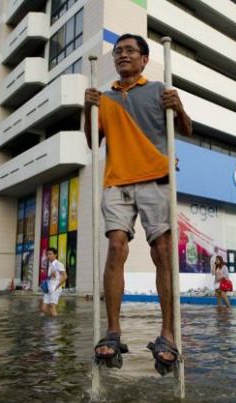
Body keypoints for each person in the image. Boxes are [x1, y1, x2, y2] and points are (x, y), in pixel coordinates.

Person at [84, 33, 192, 375]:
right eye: (118, 52)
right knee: (116, 247)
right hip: (116, 181)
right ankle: (113, 331)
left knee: (162, 251)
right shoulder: (105, 97)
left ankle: (168, 333)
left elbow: (186, 130)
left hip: (156, 178)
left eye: (130, 51)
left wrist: (180, 108)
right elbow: (92, 142)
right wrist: (86, 108)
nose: (122, 55)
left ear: (144, 59)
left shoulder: (160, 88)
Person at [41, 248, 67, 317]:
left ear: (55, 255)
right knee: (43, 308)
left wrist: (57, 286)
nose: (48, 256)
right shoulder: (50, 264)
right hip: (48, 288)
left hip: (55, 287)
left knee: (53, 307)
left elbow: (65, 276)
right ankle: (49, 322)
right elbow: (50, 277)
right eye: (47, 254)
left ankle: (54, 326)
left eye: (50, 254)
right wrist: (50, 276)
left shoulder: (59, 264)